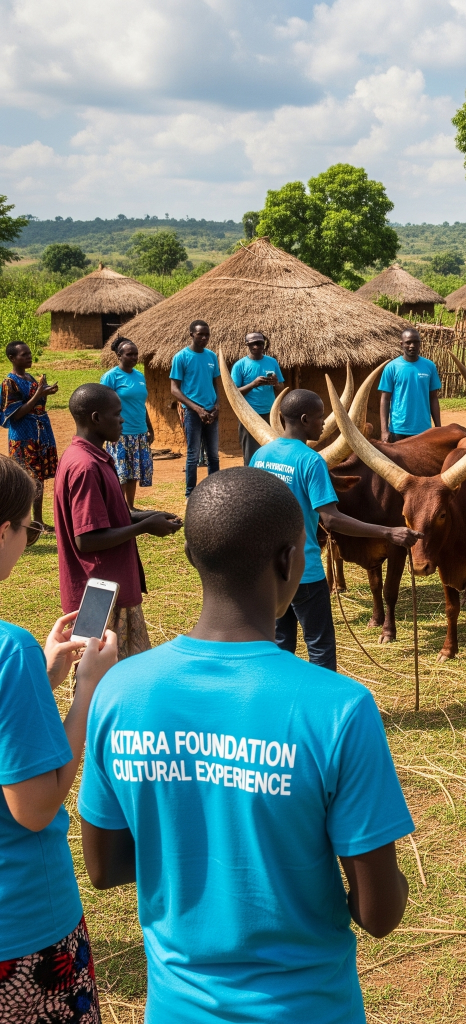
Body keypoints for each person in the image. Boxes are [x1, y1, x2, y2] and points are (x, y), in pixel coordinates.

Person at [78, 467, 414, 1023]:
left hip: (175, 1008)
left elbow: (106, 868)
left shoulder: (120, 691)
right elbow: (378, 913)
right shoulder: (338, 707)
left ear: (191, 558)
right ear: (290, 561)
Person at [0, 454, 117, 1023]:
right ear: (3, 532)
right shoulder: (7, 650)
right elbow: (35, 806)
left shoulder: (17, 662)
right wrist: (86, 691)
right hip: (21, 927)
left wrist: (40, 683)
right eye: (29, 528)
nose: (28, 540)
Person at [251, 389, 420, 671]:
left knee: (281, 644)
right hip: (303, 571)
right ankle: (323, 708)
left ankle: (282, 705)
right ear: (304, 420)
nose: (324, 425)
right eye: (320, 419)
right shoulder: (310, 461)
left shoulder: (260, 456)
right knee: (320, 647)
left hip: (270, 570)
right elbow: (331, 520)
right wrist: (388, 533)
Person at [54, 384, 182, 659]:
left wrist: (148, 516)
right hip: (99, 594)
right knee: (96, 674)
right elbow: (86, 539)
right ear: (96, 418)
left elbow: (105, 519)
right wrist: (145, 527)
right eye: (117, 413)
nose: (123, 419)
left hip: (109, 588)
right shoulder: (85, 467)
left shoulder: (93, 459)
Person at [1, 341, 59, 529]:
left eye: (29, 353)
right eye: (24, 354)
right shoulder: (9, 382)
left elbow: (36, 403)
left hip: (40, 434)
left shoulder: (29, 377)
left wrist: (46, 392)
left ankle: (38, 521)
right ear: (12, 358)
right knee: (26, 479)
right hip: (24, 438)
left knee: (38, 477)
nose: (29, 357)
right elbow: (16, 413)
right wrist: (38, 393)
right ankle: (23, 521)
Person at [101, 336, 155, 508]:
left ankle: (130, 507)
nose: (134, 357)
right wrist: (109, 431)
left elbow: (141, 405)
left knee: (134, 472)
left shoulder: (139, 376)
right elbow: (103, 405)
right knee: (121, 473)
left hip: (139, 432)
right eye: (129, 354)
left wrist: (149, 428)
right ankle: (118, 508)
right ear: (119, 355)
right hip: (121, 433)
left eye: (136, 354)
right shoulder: (111, 377)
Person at [170, 320, 220, 496]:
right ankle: (190, 494)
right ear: (191, 334)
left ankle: (215, 491)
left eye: (207, 334)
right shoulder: (181, 357)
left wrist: (217, 406)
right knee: (193, 455)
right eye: (200, 334)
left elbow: (216, 384)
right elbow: (174, 389)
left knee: (213, 455)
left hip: (212, 412)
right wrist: (197, 409)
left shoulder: (212, 356)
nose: (204, 338)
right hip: (192, 413)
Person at [230, 331, 285, 466]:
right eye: (253, 344)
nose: (257, 346)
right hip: (249, 415)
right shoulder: (240, 365)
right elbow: (233, 393)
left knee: (271, 450)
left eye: (260, 343)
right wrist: (253, 384)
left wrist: (276, 383)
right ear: (247, 345)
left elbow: (281, 387)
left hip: (270, 414)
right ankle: (251, 480)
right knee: (250, 452)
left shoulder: (272, 362)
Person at [379, 328, 441, 442]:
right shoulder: (392, 367)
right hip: (398, 429)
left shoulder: (429, 366)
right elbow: (385, 399)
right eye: (408, 342)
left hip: (423, 429)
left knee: (422, 460)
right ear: (401, 344)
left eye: (416, 342)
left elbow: (433, 398)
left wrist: (438, 428)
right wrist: (384, 430)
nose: (412, 346)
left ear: (420, 343)